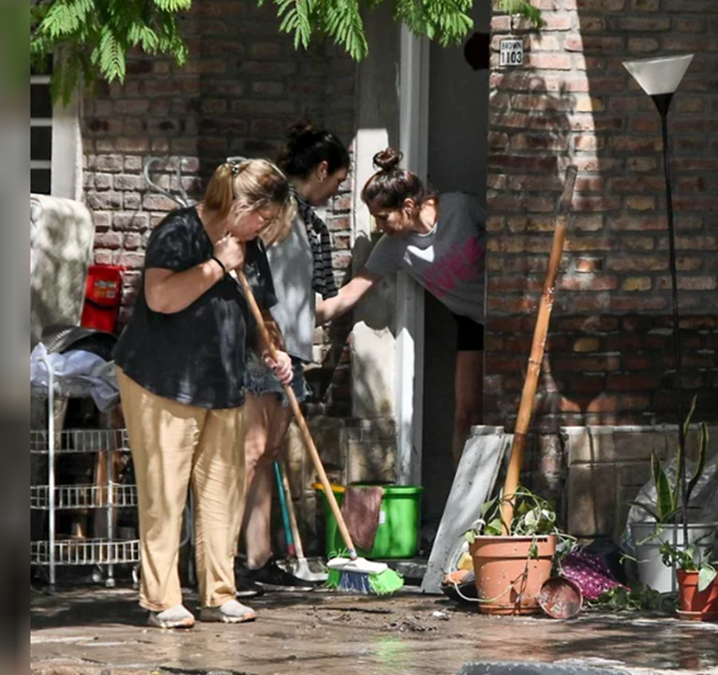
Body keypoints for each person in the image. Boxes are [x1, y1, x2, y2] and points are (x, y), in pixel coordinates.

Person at [112, 159, 295, 628]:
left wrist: (272, 349)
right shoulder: (178, 232)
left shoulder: (251, 247)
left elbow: (260, 315)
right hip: (161, 379)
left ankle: (218, 593)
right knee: (165, 491)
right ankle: (162, 599)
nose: (266, 227)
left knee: (221, 493)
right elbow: (160, 298)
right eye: (263, 216)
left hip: (221, 380)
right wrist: (217, 265)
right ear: (239, 205)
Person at [316, 148, 486, 464]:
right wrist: (296, 322)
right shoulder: (394, 247)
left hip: (514, 314)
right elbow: (349, 294)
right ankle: (462, 506)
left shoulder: (462, 208)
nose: (379, 226)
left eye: (383, 217)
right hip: (472, 323)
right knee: (466, 414)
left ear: (408, 206)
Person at [238, 121, 350, 591]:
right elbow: (249, 280)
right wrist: (263, 340)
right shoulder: (274, 208)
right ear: (321, 169)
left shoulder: (312, 224)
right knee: (250, 452)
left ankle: (257, 558)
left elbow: (316, 300)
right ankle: (222, 562)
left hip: (290, 351)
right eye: (338, 181)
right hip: (262, 346)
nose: (337, 190)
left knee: (266, 454)